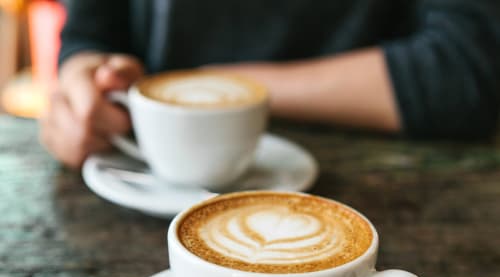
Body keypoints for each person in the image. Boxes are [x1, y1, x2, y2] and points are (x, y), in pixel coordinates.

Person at [40, 0, 500, 169]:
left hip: (381, 180)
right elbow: (90, 33)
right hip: (142, 185)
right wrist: (83, 83)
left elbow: (467, 70)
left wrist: (220, 90)